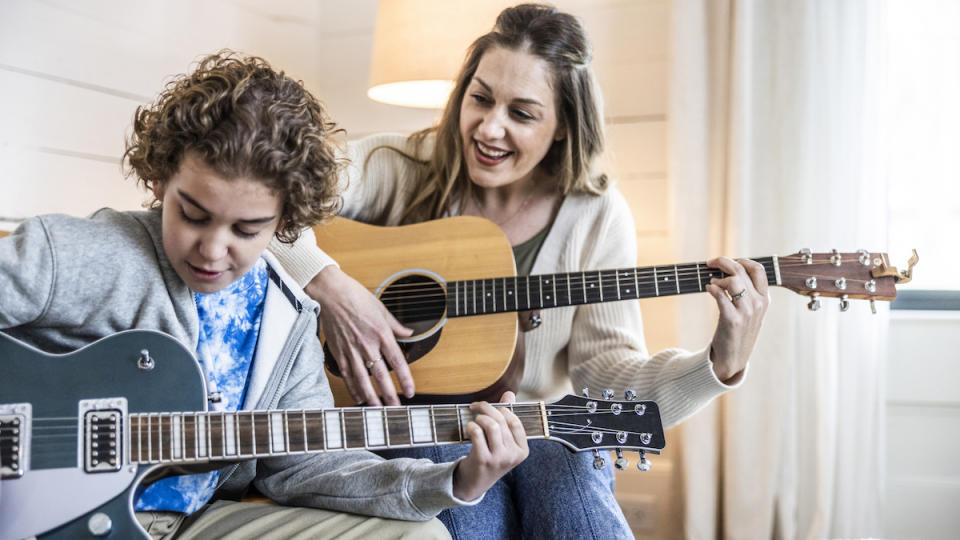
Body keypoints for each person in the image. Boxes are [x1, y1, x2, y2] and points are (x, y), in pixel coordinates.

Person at [269, 3, 769, 539]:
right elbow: (267, 203)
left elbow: (607, 379)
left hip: (536, 429)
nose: (490, 127)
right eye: (479, 98)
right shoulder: (399, 164)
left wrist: (716, 363)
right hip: (412, 417)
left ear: (561, 128)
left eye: (523, 113)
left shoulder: (595, 215)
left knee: (571, 463)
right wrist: (334, 288)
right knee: (456, 473)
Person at [0, 51, 530, 540]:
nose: (212, 249)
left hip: (193, 524)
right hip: (41, 519)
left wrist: (458, 478)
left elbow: (310, 469)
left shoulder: (287, 318)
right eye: (193, 214)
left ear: (286, 220)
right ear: (160, 180)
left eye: (246, 229)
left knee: (421, 536)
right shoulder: (87, 254)